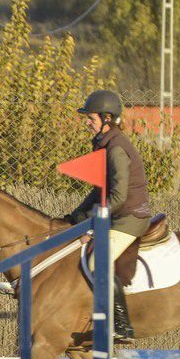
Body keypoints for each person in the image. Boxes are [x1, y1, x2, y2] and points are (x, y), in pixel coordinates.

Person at [65, 90, 152, 341]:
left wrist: (92, 221)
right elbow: (98, 189)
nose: (86, 122)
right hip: (118, 214)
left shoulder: (115, 149)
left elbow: (118, 196)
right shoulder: (105, 144)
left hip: (130, 217)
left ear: (106, 118)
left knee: (96, 262)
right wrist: (77, 214)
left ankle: (122, 326)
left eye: (90, 117)